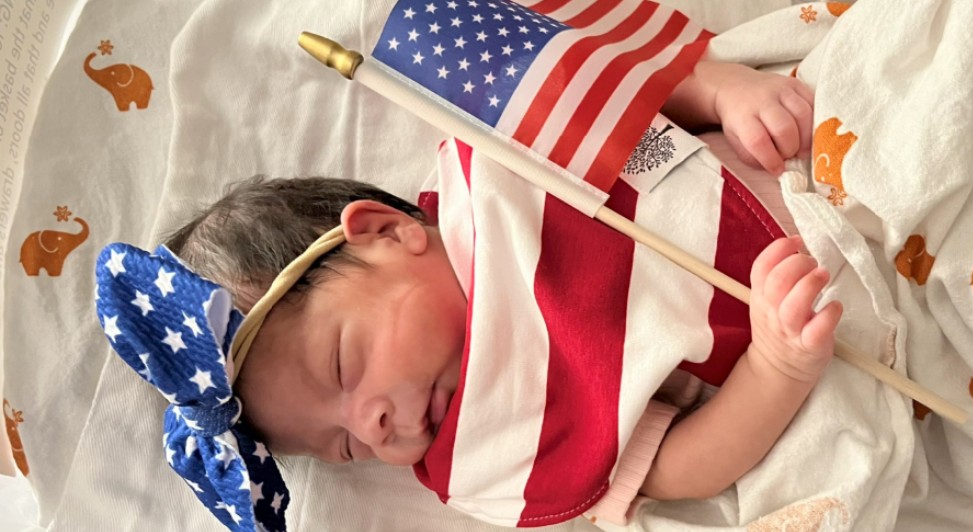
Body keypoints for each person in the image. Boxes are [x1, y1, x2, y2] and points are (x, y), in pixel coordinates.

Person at [159, 59, 839, 509]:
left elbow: (629, 102)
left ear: (385, 233)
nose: (372, 424)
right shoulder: (496, 446)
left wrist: (721, 91)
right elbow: (676, 466)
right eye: (348, 448)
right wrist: (776, 367)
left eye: (345, 364)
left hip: (803, 138)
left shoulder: (504, 163)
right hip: (832, 308)